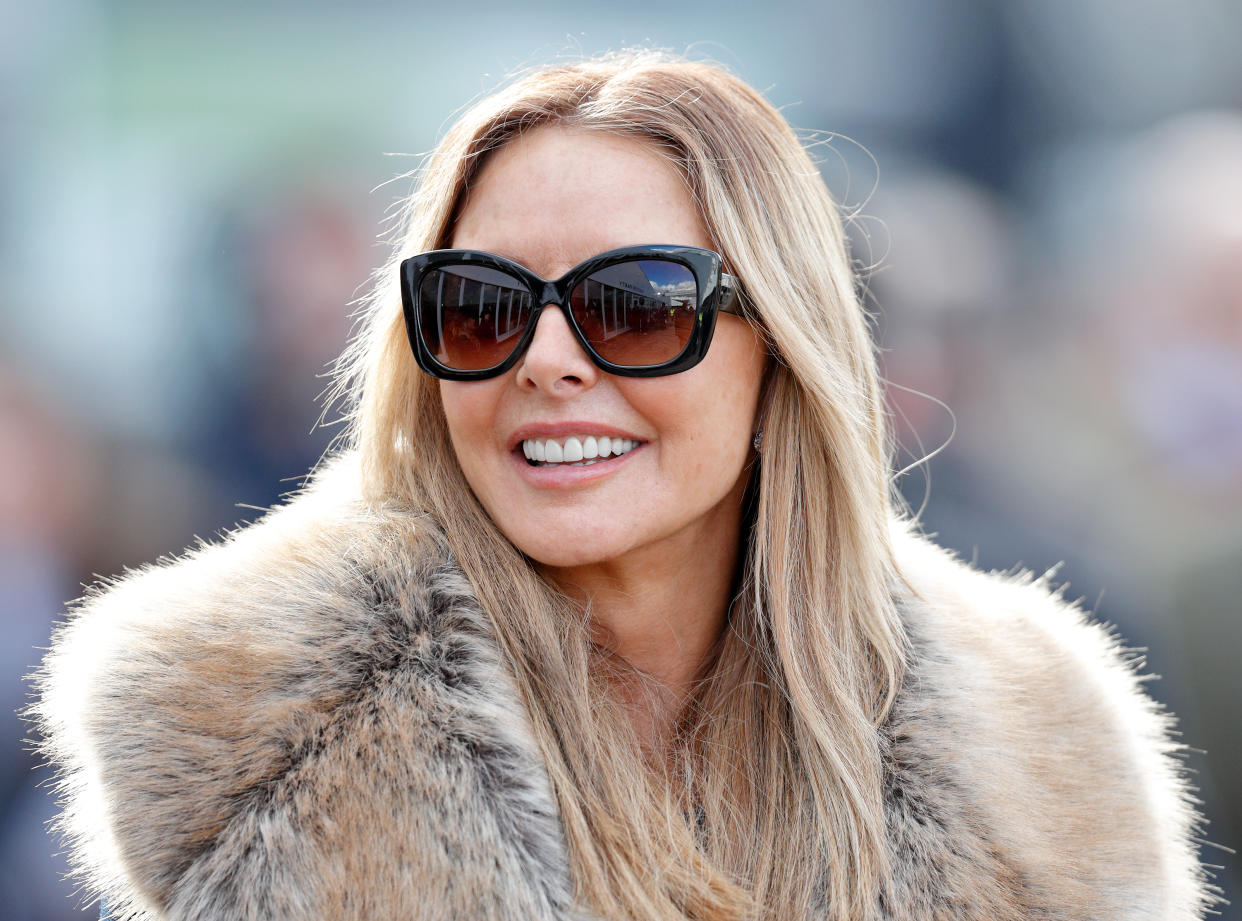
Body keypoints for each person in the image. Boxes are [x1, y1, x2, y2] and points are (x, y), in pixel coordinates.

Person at [33, 51, 1211, 921]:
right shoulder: (246, 737)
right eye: (481, 306)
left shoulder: (1038, 748)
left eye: (635, 306)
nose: (547, 359)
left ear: (781, 344)